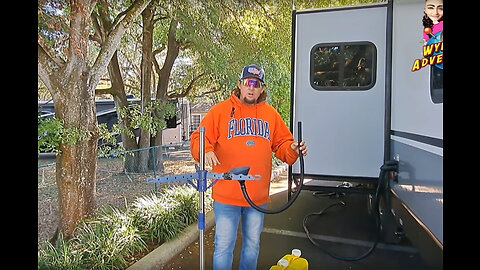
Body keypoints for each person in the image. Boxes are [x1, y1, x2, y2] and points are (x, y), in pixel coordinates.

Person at [190, 64, 308, 270]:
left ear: (262, 88)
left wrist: (294, 149)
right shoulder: (220, 111)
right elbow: (199, 137)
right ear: (240, 85)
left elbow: (283, 146)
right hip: (227, 196)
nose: (251, 88)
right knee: (224, 247)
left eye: (256, 84)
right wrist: (205, 150)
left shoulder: (270, 115)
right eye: (247, 83)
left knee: (252, 246)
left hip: (257, 197)